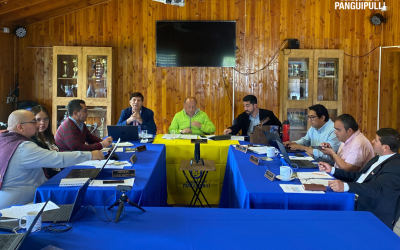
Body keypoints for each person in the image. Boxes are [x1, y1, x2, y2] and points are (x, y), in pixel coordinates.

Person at [0, 110, 104, 209]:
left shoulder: (5, 140)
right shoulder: (23, 148)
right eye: (34, 121)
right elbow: (57, 159)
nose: (38, 124)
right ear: (20, 127)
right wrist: (89, 155)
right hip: (19, 206)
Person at [319, 128, 400, 229]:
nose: (372, 141)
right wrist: (332, 170)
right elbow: (358, 177)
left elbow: (376, 189)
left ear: (385, 147)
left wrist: (345, 186)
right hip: (354, 199)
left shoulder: (395, 166)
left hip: (371, 214)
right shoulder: (377, 158)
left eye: (376, 140)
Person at [30, 105, 62, 178]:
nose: (42, 122)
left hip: (58, 174)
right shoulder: (33, 141)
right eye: (38, 119)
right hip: (48, 179)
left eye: (45, 119)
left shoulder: (49, 137)